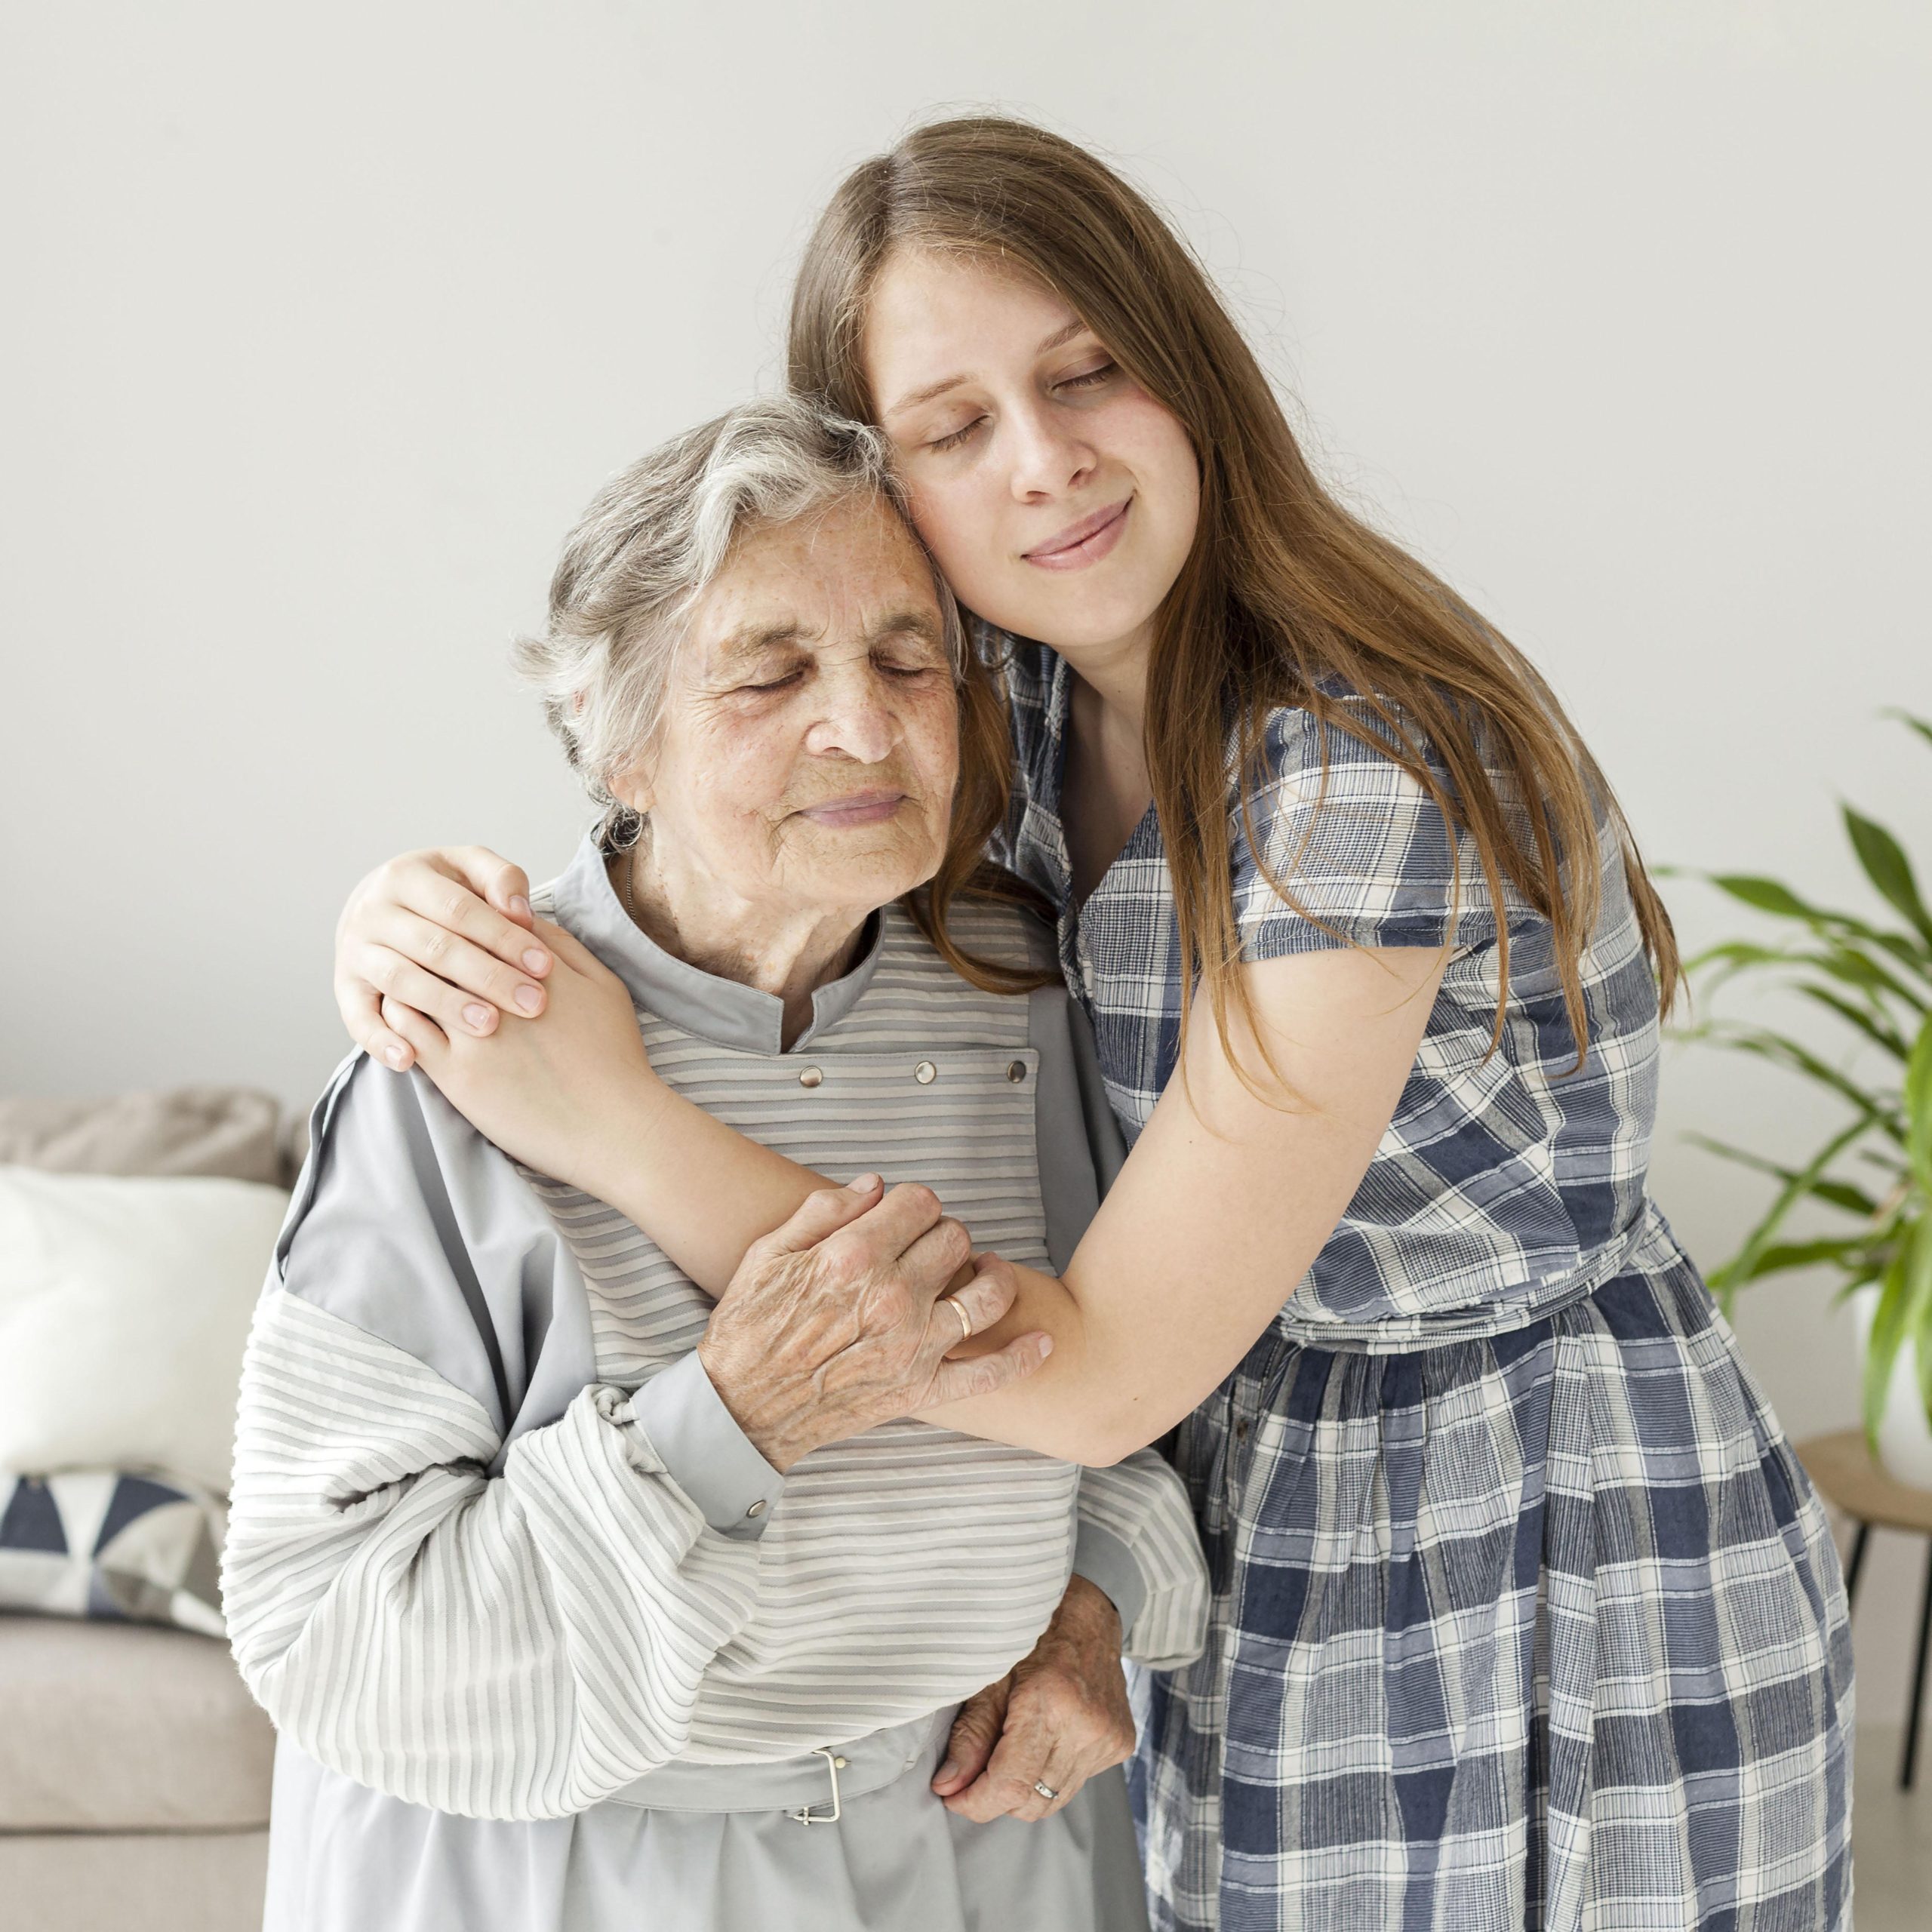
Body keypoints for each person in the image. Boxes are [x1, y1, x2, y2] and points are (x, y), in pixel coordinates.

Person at [329, 118, 1854, 1932]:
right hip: (1260, 1503)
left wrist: (605, 1120)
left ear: (1184, 369)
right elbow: (698, 803)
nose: (1042, 461)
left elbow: (1111, 1361)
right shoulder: (1019, 728)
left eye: (1084, 374)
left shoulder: (1349, 778)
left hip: (1532, 1516)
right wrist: (406, 919)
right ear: (884, 491)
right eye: (953, 429)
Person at [223, 395, 1209, 1932]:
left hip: (959, 1847)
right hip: (554, 1869)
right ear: (617, 739)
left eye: (905, 658)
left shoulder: (1028, 988)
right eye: (767, 671)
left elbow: (1130, 1395)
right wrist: (728, 1421)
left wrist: (1091, 1603)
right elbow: (329, 1635)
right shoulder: (464, 1037)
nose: (866, 726)